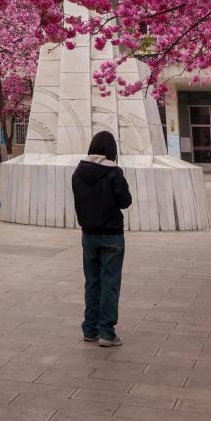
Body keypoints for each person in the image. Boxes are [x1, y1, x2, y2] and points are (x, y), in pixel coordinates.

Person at [71, 131, 132, 348]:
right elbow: (125, 201)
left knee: (92, 282)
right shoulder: (114, 173)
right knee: (110, 283)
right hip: (112, 235)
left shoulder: (78, 172)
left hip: (88, 234)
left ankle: (90, 329)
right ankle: (107, 331)